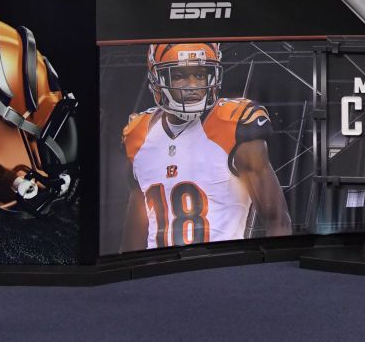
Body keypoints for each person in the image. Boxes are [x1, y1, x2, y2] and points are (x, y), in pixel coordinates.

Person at [121, 43, 292, 251]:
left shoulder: (233, 126)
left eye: (200, 75)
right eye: (180, 75)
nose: (192, 85)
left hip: (220, 272)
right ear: (158, 80)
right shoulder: (138, 134)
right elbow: (133, 241)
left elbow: (278, 221)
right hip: (159, 275)